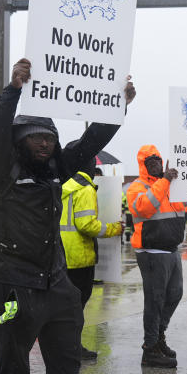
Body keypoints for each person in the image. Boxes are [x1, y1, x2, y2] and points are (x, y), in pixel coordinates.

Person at [0, 58, 134, 374]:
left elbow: (86, 146)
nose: (44, 144)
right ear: (19, 141)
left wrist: (117, 106)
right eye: (35, 138)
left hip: (57, 284)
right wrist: (11, 92)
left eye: (49, 137)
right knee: (12, 364)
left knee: (66, 360)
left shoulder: (54, 172)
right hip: (11, 287)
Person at [127, 146, 186, 369]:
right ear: (142, 165)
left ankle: (158, 335)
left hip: (171, 250)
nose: (156, 164)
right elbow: (145, 208)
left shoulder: (170, 185)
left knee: (175, 294)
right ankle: (150, 348)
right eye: (150, 161)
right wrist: (165, 181)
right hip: (151, 253)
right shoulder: (137, 187)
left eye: (158, 160)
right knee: (154, 300)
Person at [60, 155, 122, 361]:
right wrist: (114, 229)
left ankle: (64, 347)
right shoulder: (85, 189)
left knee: (65, 307)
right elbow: (87, 224)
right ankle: (73, 348)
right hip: (80, 257)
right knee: (77, 307)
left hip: (62, 256)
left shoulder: (64, 186)